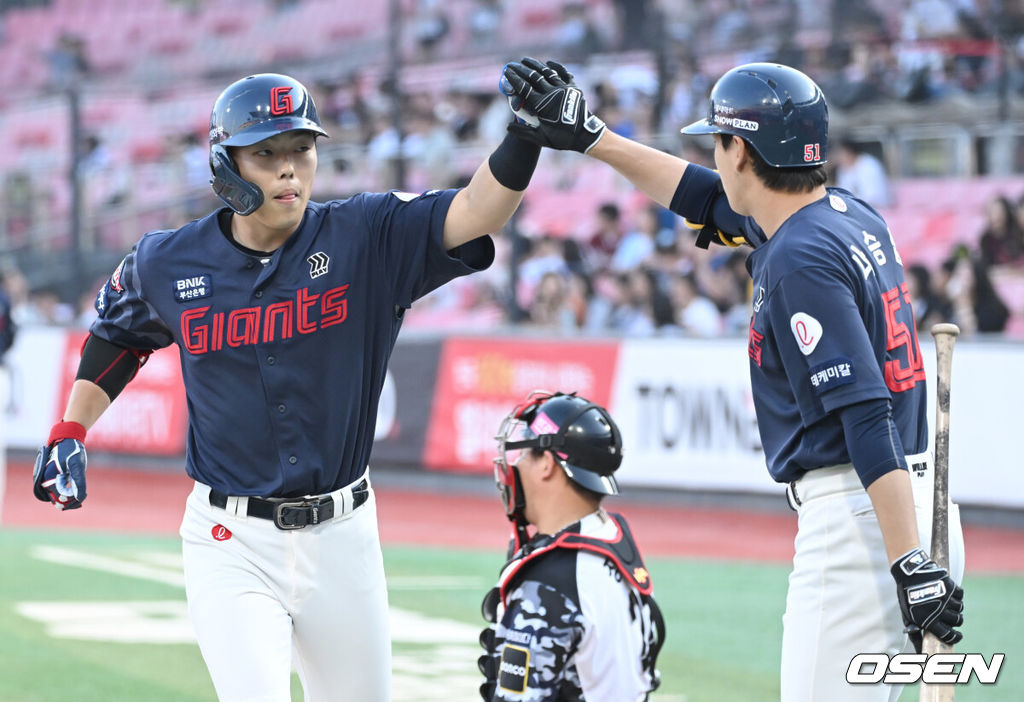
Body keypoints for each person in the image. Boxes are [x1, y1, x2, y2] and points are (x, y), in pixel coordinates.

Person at [32, 71, 543, 702]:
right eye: (266, 153)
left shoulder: (367, 233)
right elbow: (119, 335)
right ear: (225, 165)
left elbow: (476, 211)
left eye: (301, 149)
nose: (288, 170)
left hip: (344, 535)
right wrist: (70, 429)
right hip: (230, 539)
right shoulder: (167, 260)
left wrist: (523, 136)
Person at [499, 59, 965, 701]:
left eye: (718, 144)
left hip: (862, 519)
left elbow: (865, 414)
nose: (714, 160)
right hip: (919, 504)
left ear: (740, 151)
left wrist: (906, 561)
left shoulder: (799, 255)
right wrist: (593, 137)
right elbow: (701, 198)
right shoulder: (844, 214)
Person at [479, 390, 664, 701]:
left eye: (524, 454)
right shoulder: (614, 538)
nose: (515, 465)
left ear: (547, 464)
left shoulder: (549, 581)